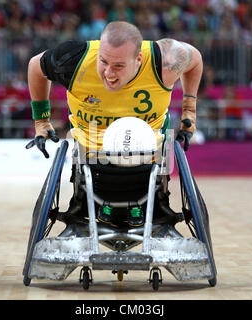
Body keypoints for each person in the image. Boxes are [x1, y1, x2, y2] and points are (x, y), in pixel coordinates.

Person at [26, 21, 202, 227]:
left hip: (147, 159)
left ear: (138, 59)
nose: (109, 73)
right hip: (92, 160)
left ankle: (138, 205)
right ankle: (104, 205)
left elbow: (195, 60)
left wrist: (189, 111)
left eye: (118, 66)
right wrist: (41, 121)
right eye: (103, 62)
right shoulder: (74, 59)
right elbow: (35, 67)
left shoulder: (164, 60)